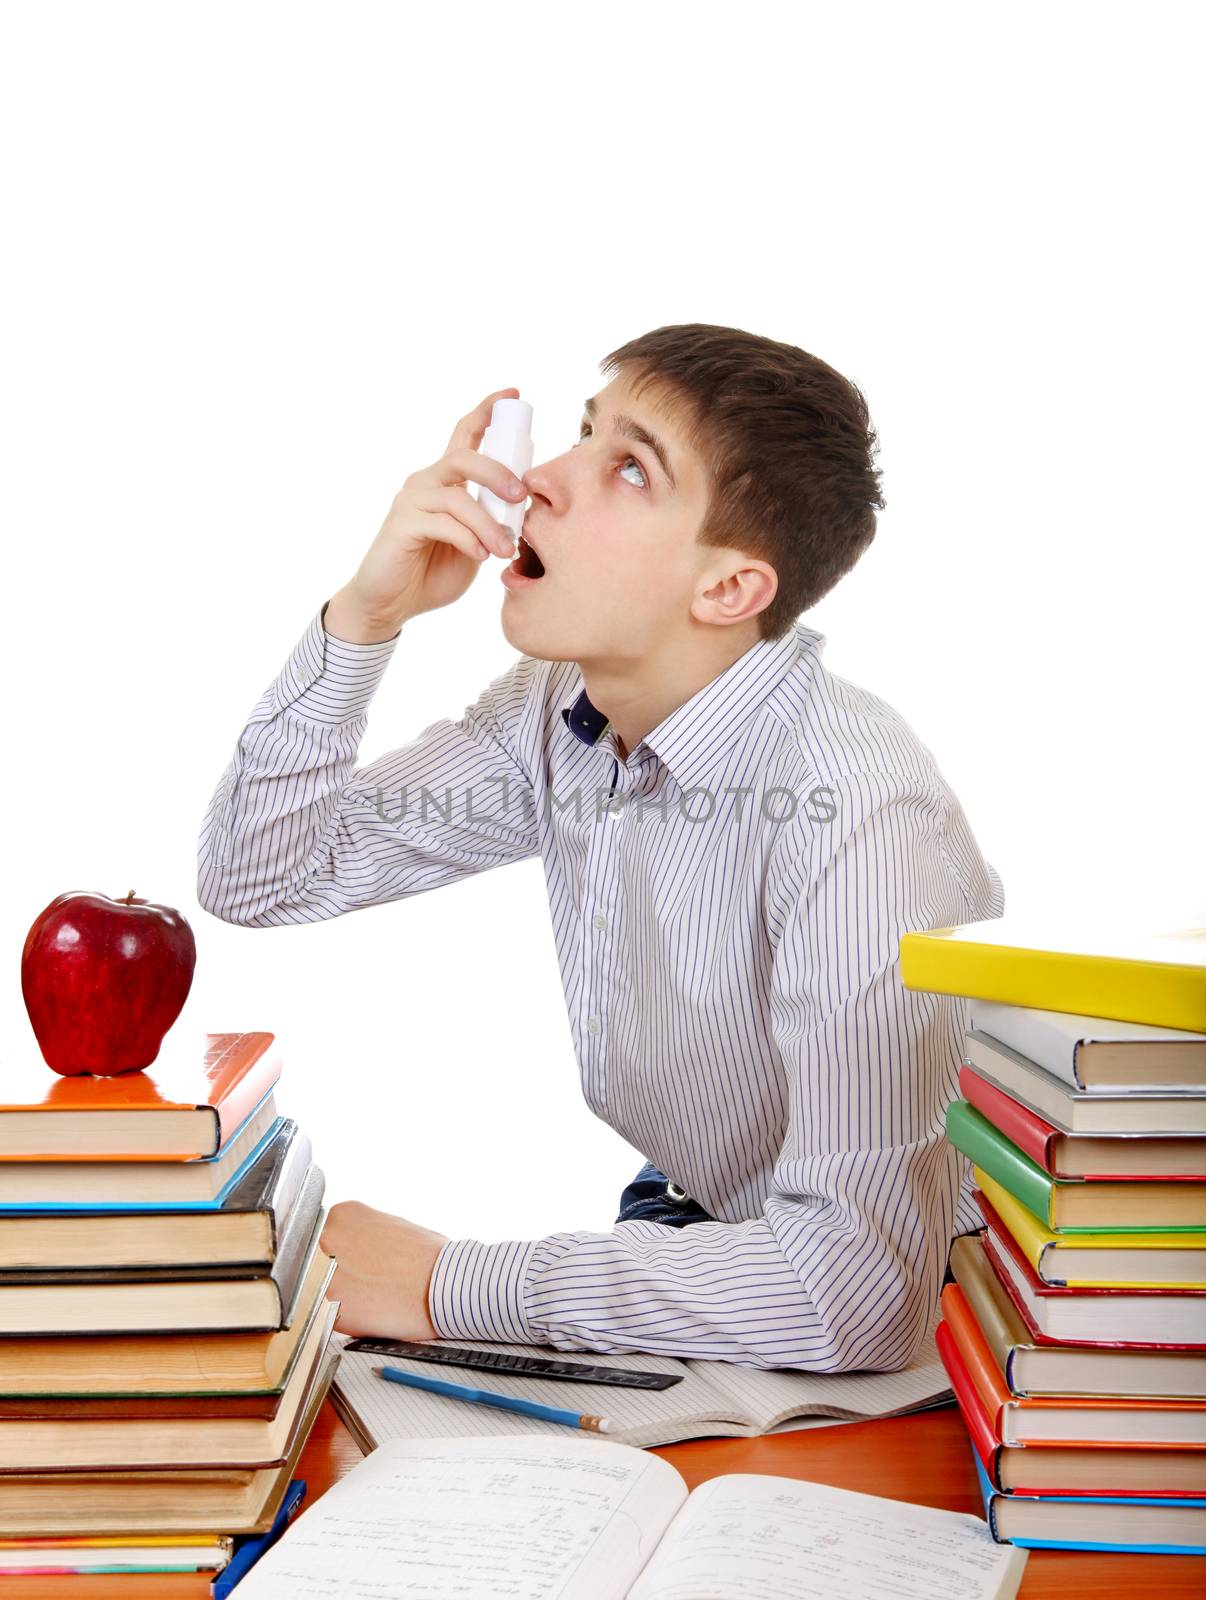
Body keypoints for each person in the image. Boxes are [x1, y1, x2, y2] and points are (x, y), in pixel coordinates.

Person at [196, 322, 1003, 1373]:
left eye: (630, 466)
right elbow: (263, 872)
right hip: (700, 1227)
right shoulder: (560, 709)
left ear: (728, 590)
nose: (539, 480)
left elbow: (858, 1290)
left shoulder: (855, 811)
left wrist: (447, 1278)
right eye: (584, 432)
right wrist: (367, 616)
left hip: (922, 1324)